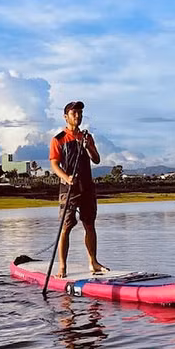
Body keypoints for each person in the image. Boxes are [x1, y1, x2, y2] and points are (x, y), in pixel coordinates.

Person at [49, 100, 109, 278]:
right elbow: (54, 164)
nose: (78, 116)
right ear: (66, 116)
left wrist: (89, 146)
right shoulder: (59, 139)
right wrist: (66, 178)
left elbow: (96, 159)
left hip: (87, 186)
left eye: (80, 113)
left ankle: (93, 262)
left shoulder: (87, 137)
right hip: (68, 189)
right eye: (74, 113)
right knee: (66, 226)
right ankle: (62, 267)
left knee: (89, 224)